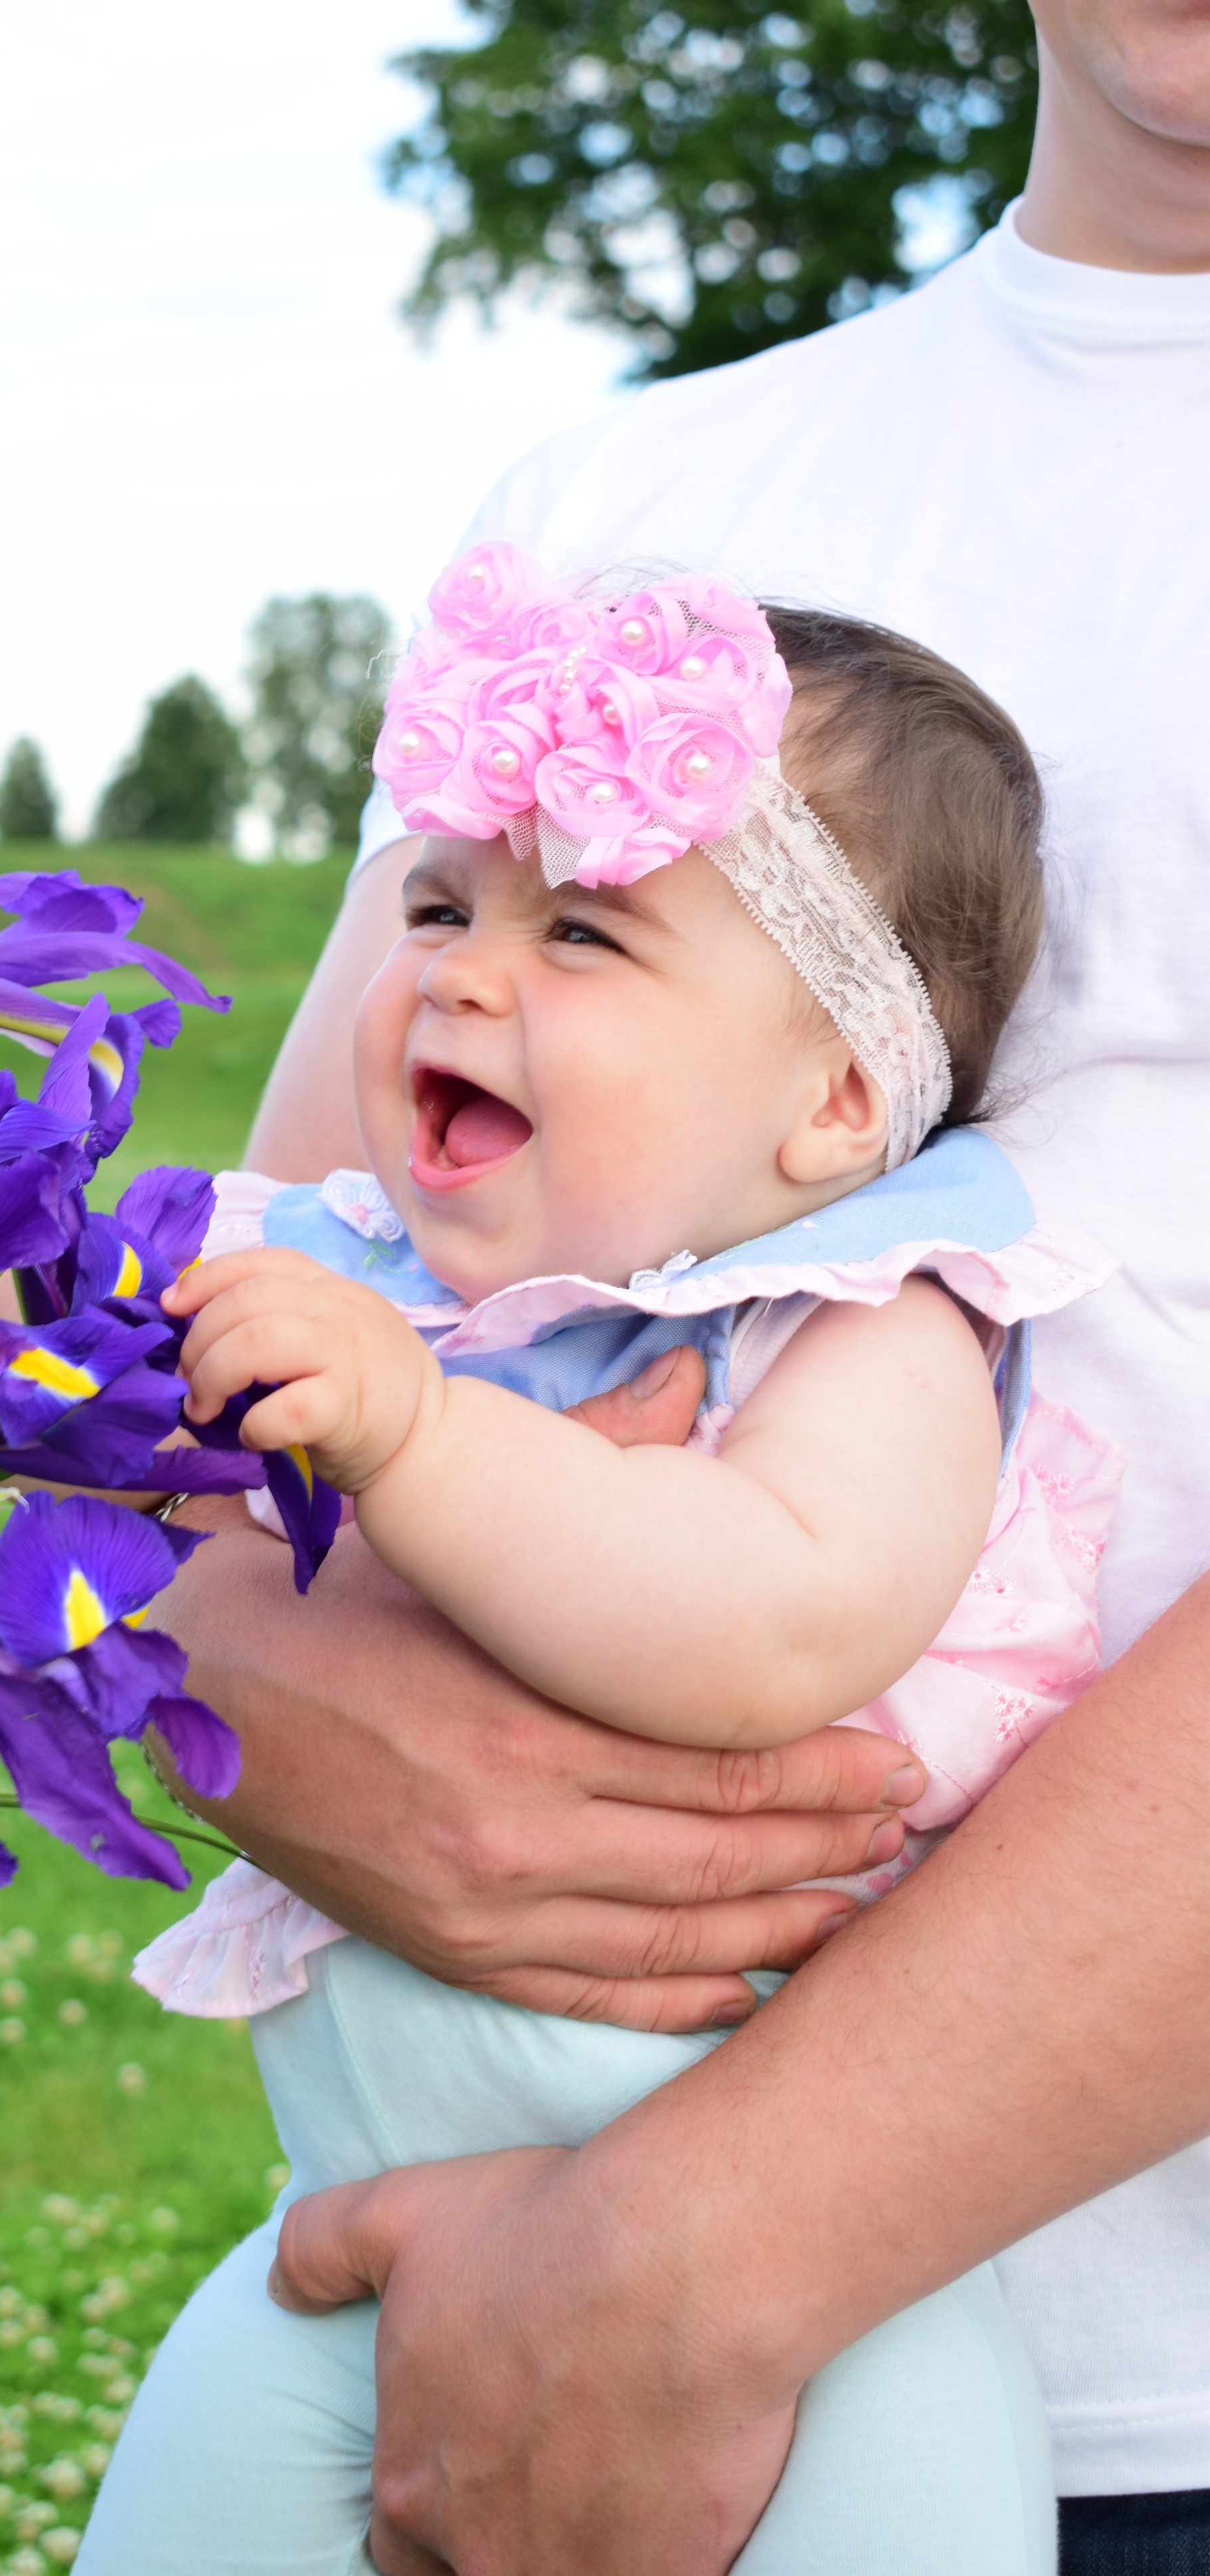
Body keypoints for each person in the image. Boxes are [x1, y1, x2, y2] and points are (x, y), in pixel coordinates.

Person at [101, 4, 1210, 2569]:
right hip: (436, 2273)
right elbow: (267, 1284)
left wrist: (704, 2255)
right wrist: (242, 1668)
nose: (486, 965)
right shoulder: (643, 494)